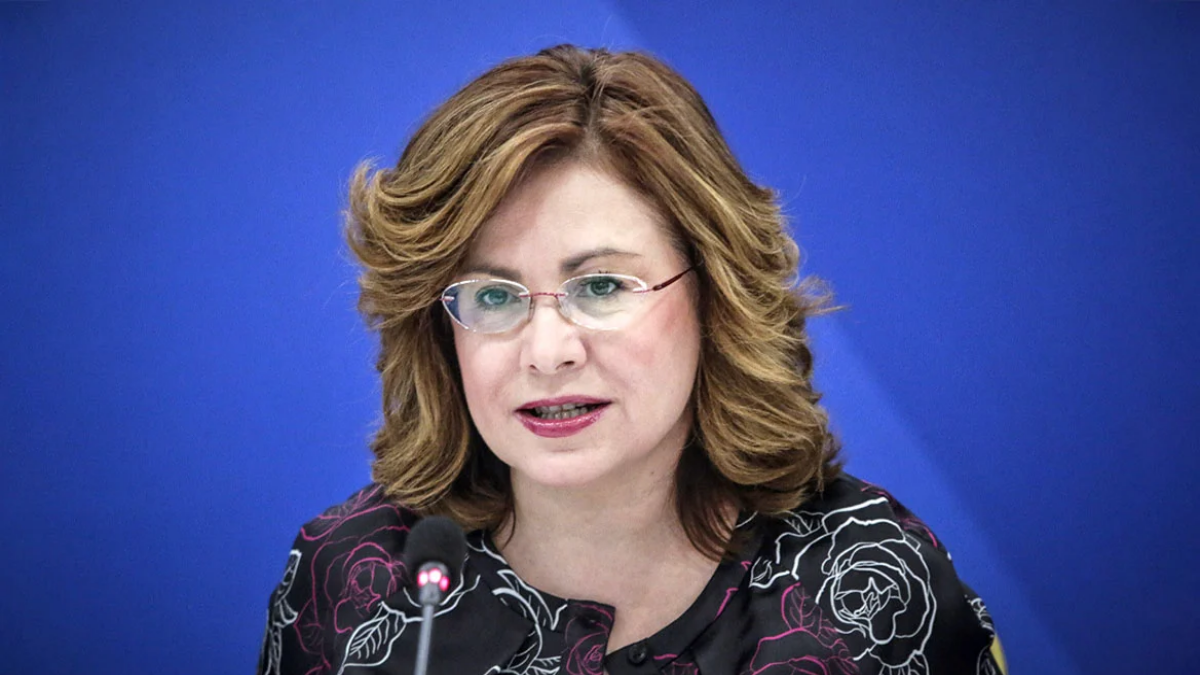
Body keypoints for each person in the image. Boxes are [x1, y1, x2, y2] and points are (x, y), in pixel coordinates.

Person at [258, 44, 1006, 675]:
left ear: (713, 297)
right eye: (492, 296)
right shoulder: (351, 579)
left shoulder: (871, 588)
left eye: (602, 286)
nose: (547, 352)